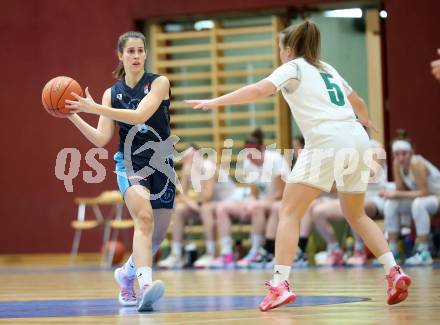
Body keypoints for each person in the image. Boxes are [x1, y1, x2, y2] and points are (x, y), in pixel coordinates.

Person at [186, 20, 411, 311]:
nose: (280, 54)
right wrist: (365, 123)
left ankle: (279, 284)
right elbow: (359, 102)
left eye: (280, 49)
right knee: (356, 214)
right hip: (357, 140)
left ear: (288, 49)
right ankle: (393, 271)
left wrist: (214, 101)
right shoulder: (329, 69)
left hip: (326, 141)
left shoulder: (292, 67)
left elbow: (258, 89)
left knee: (289, 212)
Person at [65, 31, 174, 312]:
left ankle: (126, 275)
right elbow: (102, 138)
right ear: (120, 55)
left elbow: (139, 115)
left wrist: (95, 107)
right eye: (131, 52)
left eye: (140, 51)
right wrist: (76, 115)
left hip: (162, 164)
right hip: (130, 164)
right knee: (144, 220)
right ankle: (145, 286)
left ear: (145, 54)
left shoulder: (159, 83)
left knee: (157, 237)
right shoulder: (111, 94)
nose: (136, 56)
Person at [212, 129, 289, 268]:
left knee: (256, 207)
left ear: (260, 150)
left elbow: (280, 193)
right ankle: (227, 253)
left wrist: (256, 204)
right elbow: (254, 193)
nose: (248, 157)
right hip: (261, 203)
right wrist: (251, 202)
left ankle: (256, 250)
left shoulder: (275, 160)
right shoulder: (248, 164)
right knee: (222, 207)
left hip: (279, 201)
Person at [158, 144, 238, 269]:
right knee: (179, 210)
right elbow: (182, 195)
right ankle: (176, 254)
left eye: (194, 156)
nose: (191, 160)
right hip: (210, 204)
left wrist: (196, 205)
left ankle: (211, 252)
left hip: (230, 201)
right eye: (188, 158)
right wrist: (194, 206)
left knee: (205, 209)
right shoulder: (187, 169)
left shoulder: (208, 168)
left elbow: (207, 196)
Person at [312, 139, 387, 266]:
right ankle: (335, 251)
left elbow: (372, 175)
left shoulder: (376, 148)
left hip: (374, 197)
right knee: (318, 212)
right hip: (352, 195)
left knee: (352, 207)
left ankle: (359, 251)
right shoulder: (343, 150)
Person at [381, 131, 440, 265]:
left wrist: (396, 194)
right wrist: (388, 194)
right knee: (391, 204)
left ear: (411, 152)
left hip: (436, 196)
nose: (400, 158)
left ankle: (424, 252)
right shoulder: (397, 164)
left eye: (404, 154)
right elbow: (400, 190)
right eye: (397, 154)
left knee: (419, 204)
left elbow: (423, 192)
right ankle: (393, 251)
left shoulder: (416, 163)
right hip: (427, 198)